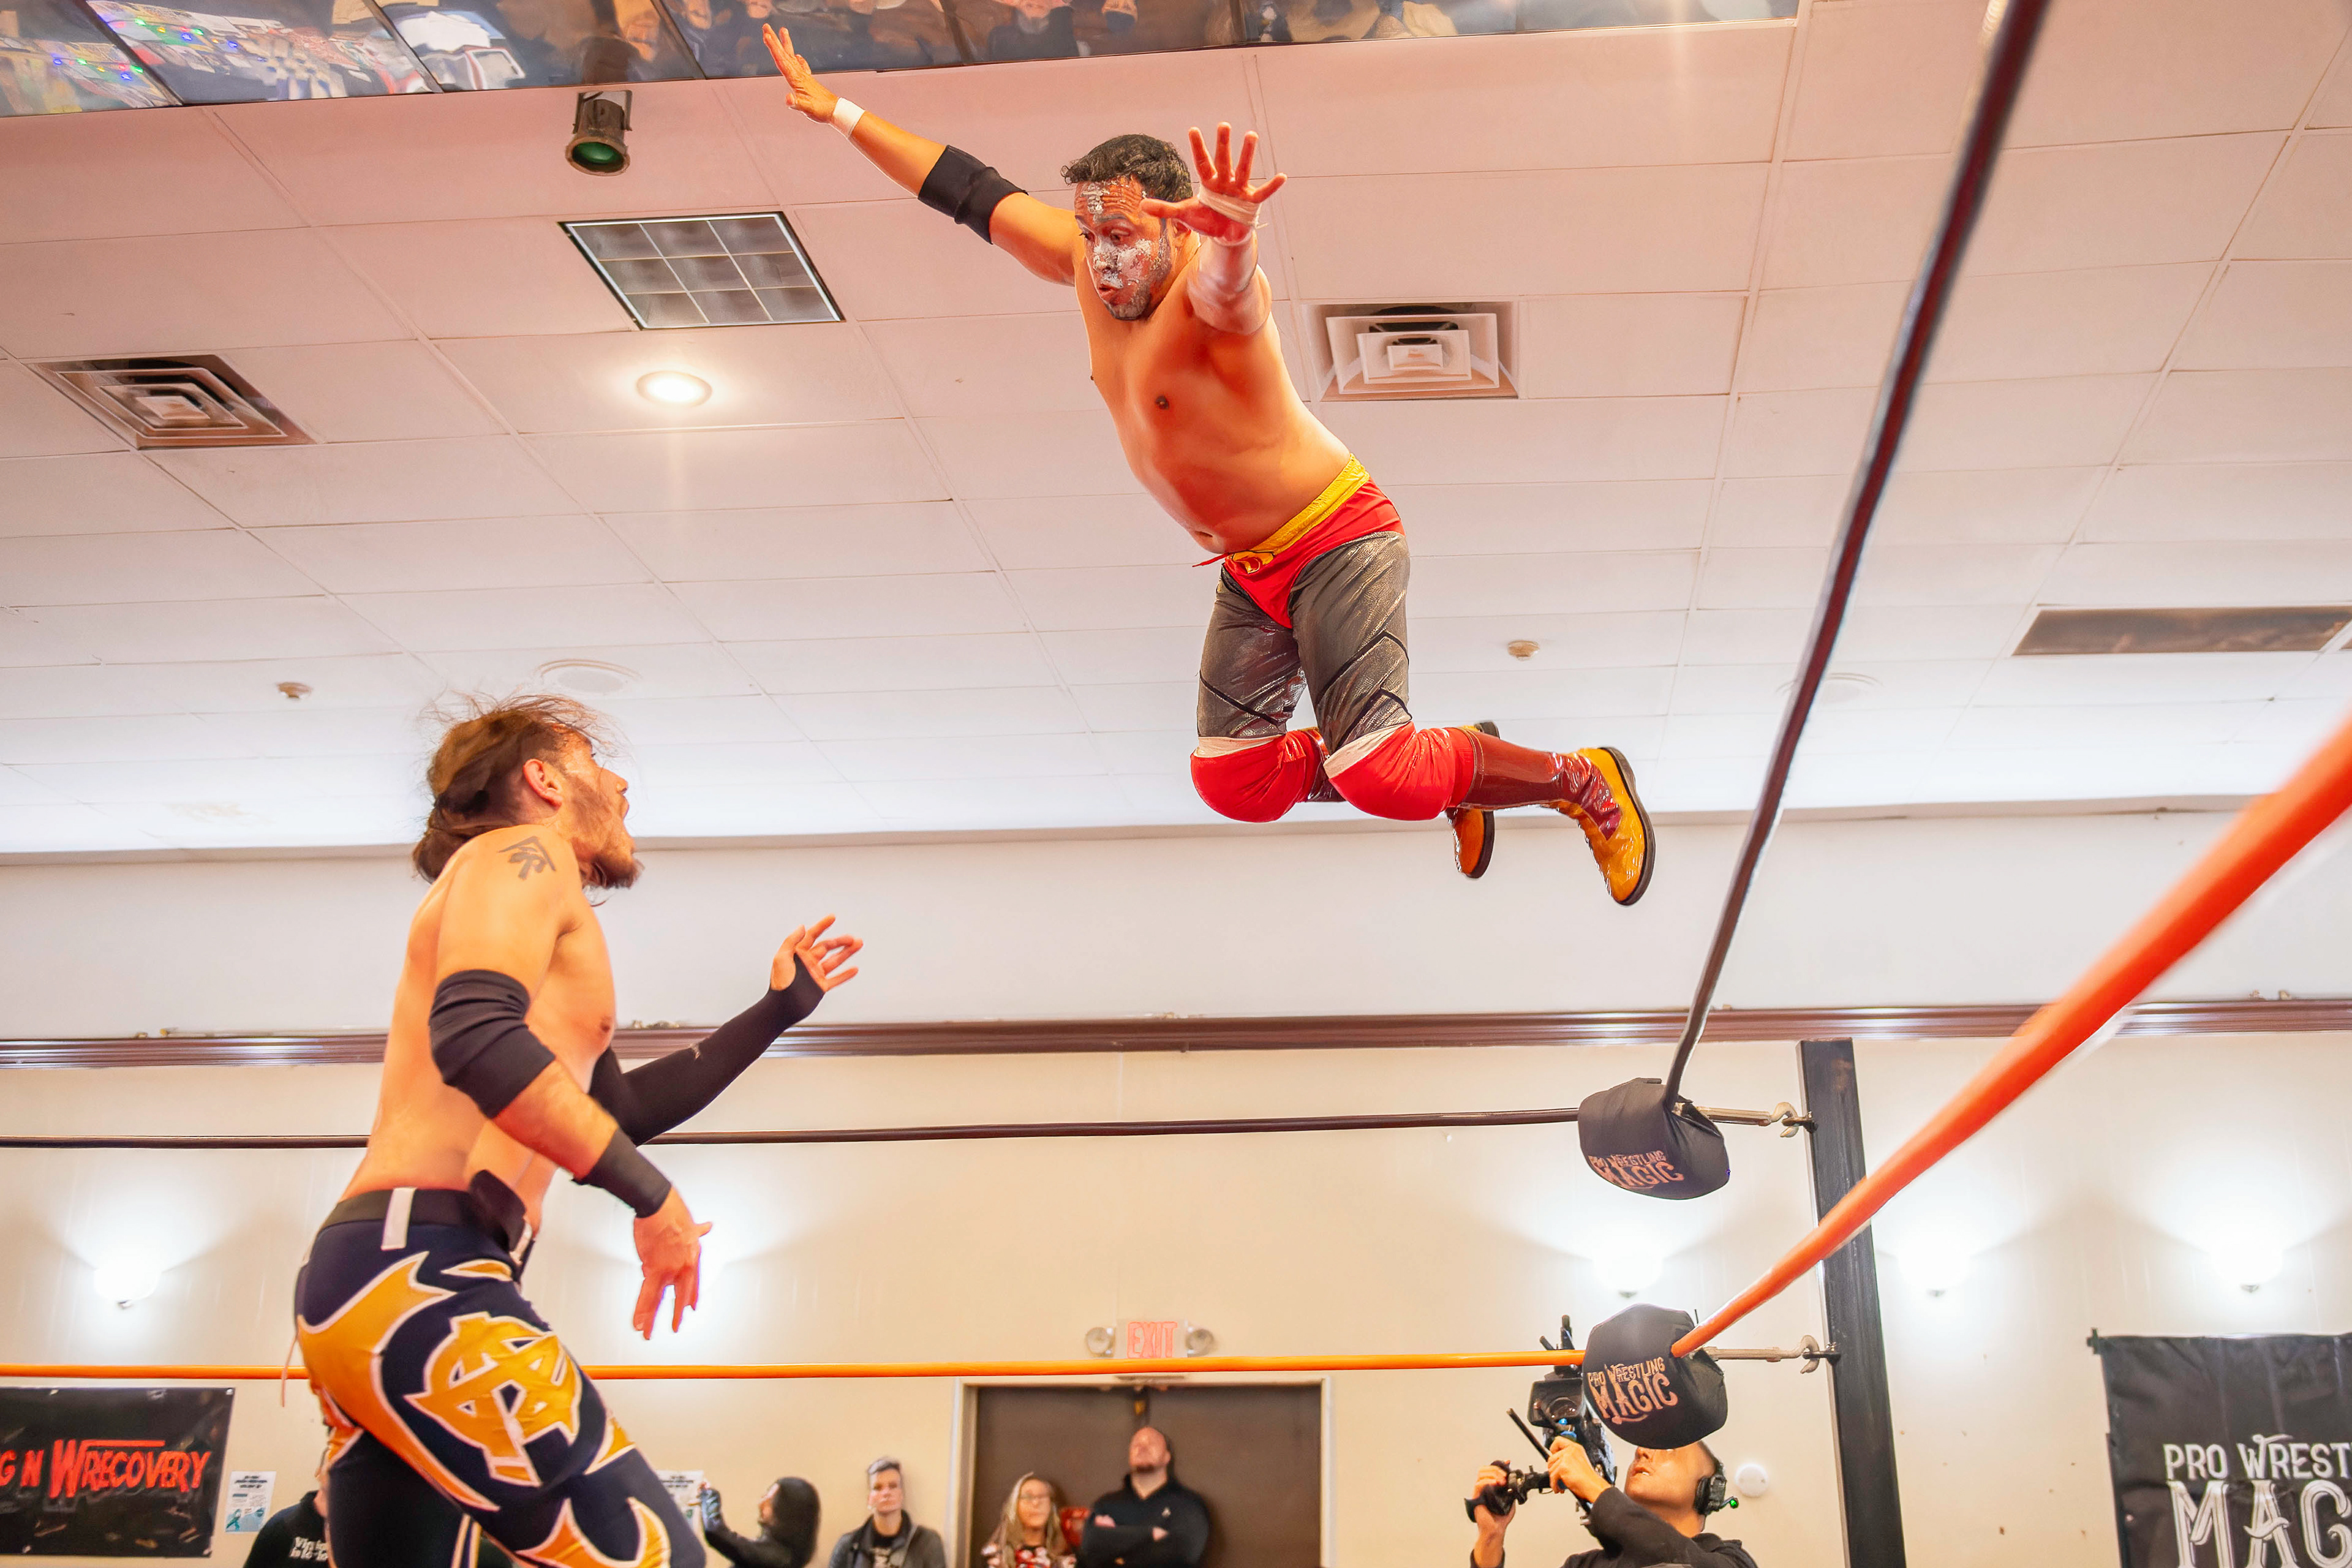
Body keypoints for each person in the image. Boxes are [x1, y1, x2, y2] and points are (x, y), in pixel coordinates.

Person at [761, 29, 1655, 900]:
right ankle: (1445, 765)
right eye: (1090, 233)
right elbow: (964, 188)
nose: (1102, 258)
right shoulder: (1084, 260)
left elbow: (1237, 289)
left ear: (1174, 228)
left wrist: (1232, 237)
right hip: (1253, 567)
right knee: (1235, 781)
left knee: (1380, 777)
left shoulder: (1205, 291)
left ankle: (1581, 779)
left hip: (1336, 538)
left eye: (1121, 234)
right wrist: (838, 111)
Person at [292, 695, 863, 1568]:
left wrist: (776, 1011)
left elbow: (614, 1112)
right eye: (597, 763)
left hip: (383, 1280)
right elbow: (474, 1034)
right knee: (659, 1557)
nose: (622, 785)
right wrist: (653, 1198)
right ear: (545, 780)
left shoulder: (530, 902)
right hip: (421, 1272)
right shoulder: (523, 854)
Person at [1466, 1438, 1758, 1568]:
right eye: (1641, 1448)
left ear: (1709, 1489)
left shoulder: (1731, 1560)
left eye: (1669, 1449)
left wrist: (1596, 1487)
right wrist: (1490, 1539)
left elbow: (1677, 1560)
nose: (1642, 1451)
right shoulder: (1585, 1565)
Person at [1076, 1428, 1207, 1568]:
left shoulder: (1188, 1505)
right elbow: (1089, 1547)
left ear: (1167, 1457)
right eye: (1137, 1445)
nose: (1143, 1447)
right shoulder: (1106, 1504)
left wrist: (1115, 1544)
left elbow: (1182, 1556)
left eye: (1152, 1443)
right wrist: (1151, 1534)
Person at [827, 1458, 947, 1568]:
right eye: (878, 1488)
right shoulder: (848, 1545)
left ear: (901, 1494)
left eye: (893, 1486)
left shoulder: (927, 1542)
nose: (886, 1493)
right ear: (869, 1498)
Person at [704, 1477, 823, 1568]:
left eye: (770, 1501)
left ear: (786, 1514)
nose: (761, 1503)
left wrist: (709, 1496)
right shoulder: (784, 1553)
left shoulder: (776, 1558)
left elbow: (715, 1532)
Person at [981, 1472, 1076, 1568]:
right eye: (1028, 1497)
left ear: (1051, 1506)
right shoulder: (996, 1556)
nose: (1036, 1503)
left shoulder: (1067, 1559)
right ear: (1015, 1505)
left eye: (1042, 1497)